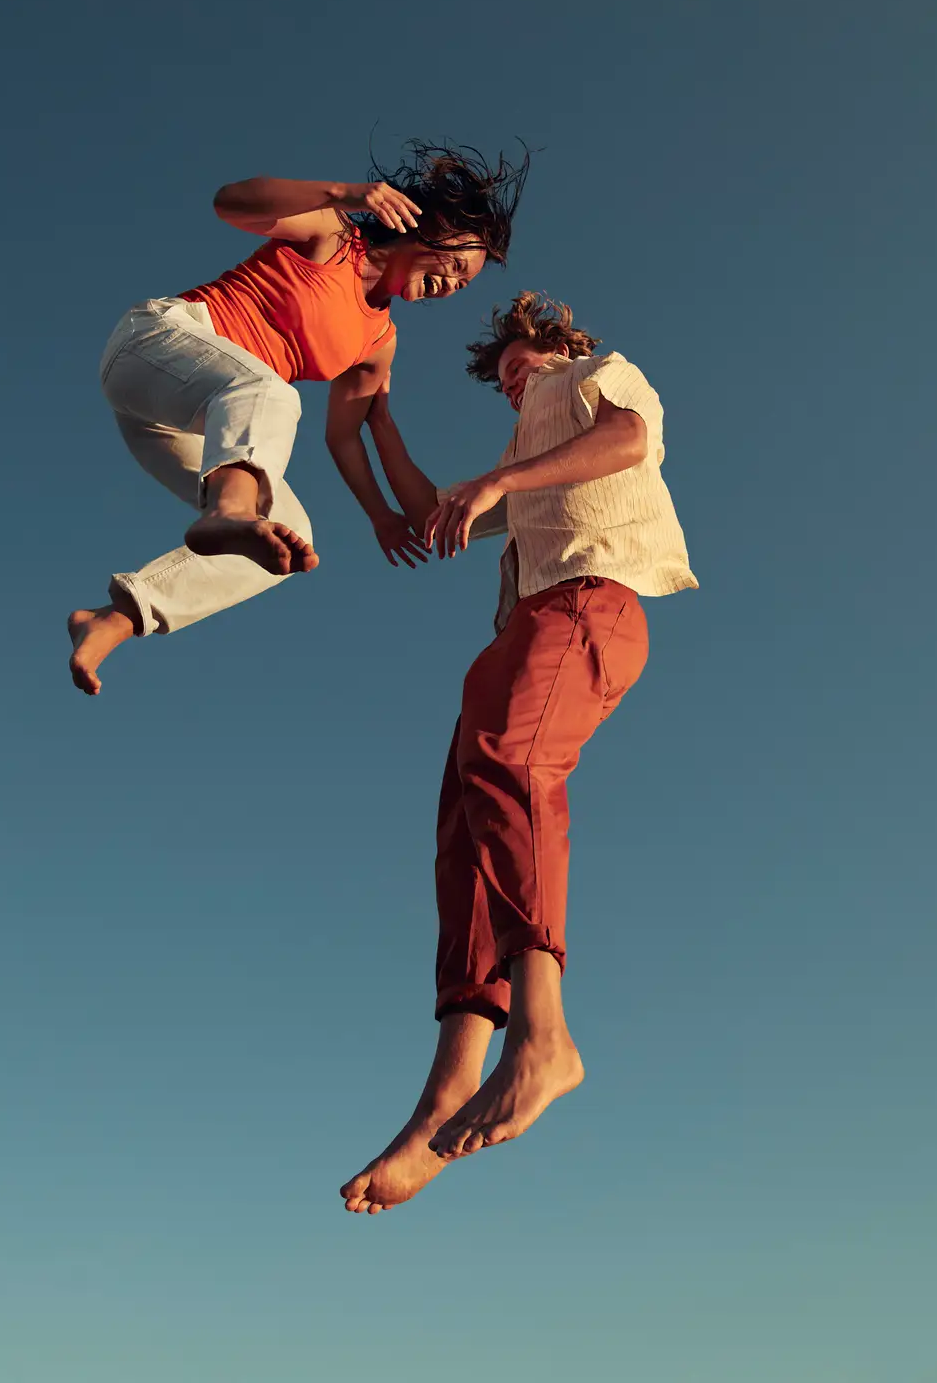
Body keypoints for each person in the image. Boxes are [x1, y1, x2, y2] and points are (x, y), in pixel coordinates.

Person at [339, 292, 699, 1214]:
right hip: (525, 625)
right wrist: (380, 421)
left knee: (510, 762)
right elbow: (429, 507)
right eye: (501, 381)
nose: (511, 386)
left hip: (591, 598)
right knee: (466, 832)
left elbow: (626, 441)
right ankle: (446, 1089)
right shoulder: (521, 457)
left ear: (556, 347)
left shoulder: (595, 377)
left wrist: (502, 481)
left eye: (518, 368)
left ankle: (543, 1039)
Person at [64, 142, 528, 695]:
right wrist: (345, 194)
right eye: (454, 266)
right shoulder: (334, 236)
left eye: (462, 284)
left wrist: (380, 516)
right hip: (156, 343)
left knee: (287, 537)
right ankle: (230, 510)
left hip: (181, 416)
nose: (451, 285)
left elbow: (344, 436)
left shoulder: (379, 341)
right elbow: (230, 203)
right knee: (270, 391)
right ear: (427, 228)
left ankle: (116, 617)